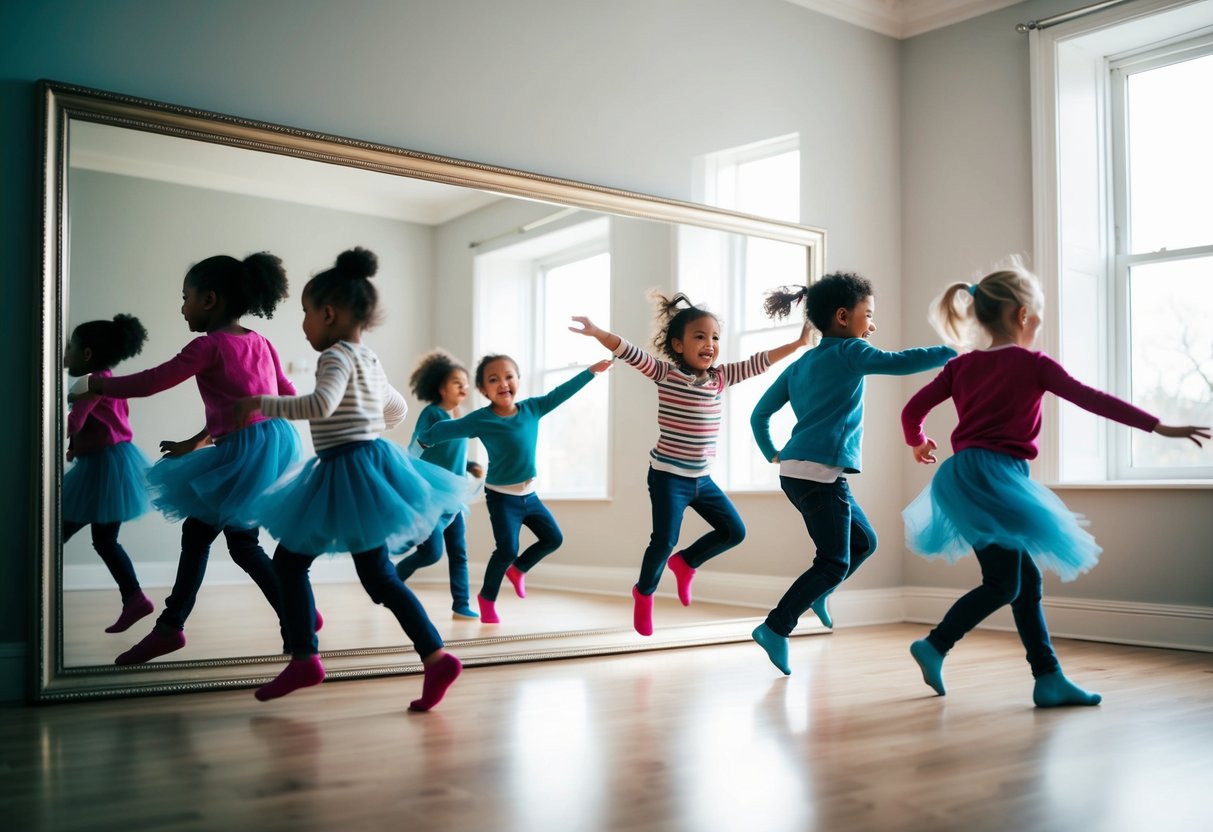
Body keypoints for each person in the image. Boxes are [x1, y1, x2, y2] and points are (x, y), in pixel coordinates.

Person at [901, 264, 1208, 706]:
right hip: (995, 478)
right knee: (1003, 584)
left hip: (963, 475)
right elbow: (1093, 400)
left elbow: (912, 409)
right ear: (1022, 315)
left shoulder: (961, 366)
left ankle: (1048, 678)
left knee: (1024, 583)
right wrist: (1157, 426)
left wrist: (917, 442)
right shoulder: (1032, 364)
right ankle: (936, 644)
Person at [239, 247, 467, 710]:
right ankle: (435, 656)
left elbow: (320, 405)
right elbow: (395, 408)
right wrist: (368, 427)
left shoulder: (334, 357)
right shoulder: (368, 357)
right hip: (367, 464)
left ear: (328, 314)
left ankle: (304, 657)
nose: (303, 324)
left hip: (346, 469)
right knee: (378, 577)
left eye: (305, 313)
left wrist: (262, 403)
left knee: (290, 563)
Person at [72, 252, 303, 665]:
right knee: (239, 543)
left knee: (208, 538)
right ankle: (293, 616)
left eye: (185, 298)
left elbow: (152, 382)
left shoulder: (207, 346)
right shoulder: (261, 342)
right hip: (268, 446)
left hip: (246, 451)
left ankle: (173, 627)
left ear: (209, 300)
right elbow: (280, 396)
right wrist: (198, 442)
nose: (182, 308)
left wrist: (96, 385)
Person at [748, 273, 955, 674]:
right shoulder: (851, 351)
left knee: (864, 542)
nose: (872, 326)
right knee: (833, 561)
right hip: (820, 474)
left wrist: (773, 453)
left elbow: (759, 414)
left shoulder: (802, 363)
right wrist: (953, 351)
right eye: (869, 315)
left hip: (796, 472)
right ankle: (775, 627)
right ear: (843, 317)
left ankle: (819, 594)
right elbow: (900, 362)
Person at [570, 291, 810, 637]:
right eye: (700, 336)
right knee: (663, 540)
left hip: (703, 479)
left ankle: (686, 562)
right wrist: (597, 332)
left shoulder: (721, 378)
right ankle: (644, 592)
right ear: (678, 345)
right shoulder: (664, 374)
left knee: (734, 531)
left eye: (715, 337)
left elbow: (760, 361)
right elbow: (628, 351)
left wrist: (798, 344)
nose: (709, 344)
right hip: (668, 477)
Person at [417, 353, 612, 624]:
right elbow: (450, 428)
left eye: (508, 376)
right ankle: (487, 599)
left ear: (518, 380)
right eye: (493, 379)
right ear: (483, 390)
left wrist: (590, 372)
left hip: (528, 495)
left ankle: (519, 570)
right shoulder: (481, 419)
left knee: (553, 538)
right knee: (507, 549)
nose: (503, 383)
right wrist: (425, 438)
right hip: (501, 497)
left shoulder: (533, 408)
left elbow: (562, 393)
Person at [62, 313, 155, 633]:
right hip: (114, 463)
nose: (65, 353)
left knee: (57, 530)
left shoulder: (89, 383)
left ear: (87, 354)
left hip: (103, 468)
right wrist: (77, 446)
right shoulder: (109, 380)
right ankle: (134, 598)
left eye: (70, 347)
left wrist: (51, 413)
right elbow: (104, 423)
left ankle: (134, 598)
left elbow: (75, 422)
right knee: (104, 540)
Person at [395, 349, 485, 619]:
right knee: (432, 553)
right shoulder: (432, 413)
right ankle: (394, 577)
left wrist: (469, 465)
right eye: (457, 383)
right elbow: (417, 445)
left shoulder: (460, 417)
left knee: (459, 552)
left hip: (454, 498)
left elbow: (452, 453)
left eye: (465, 383)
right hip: (432, 497)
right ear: (441, 388)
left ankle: (461, 604)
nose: (464, 387)